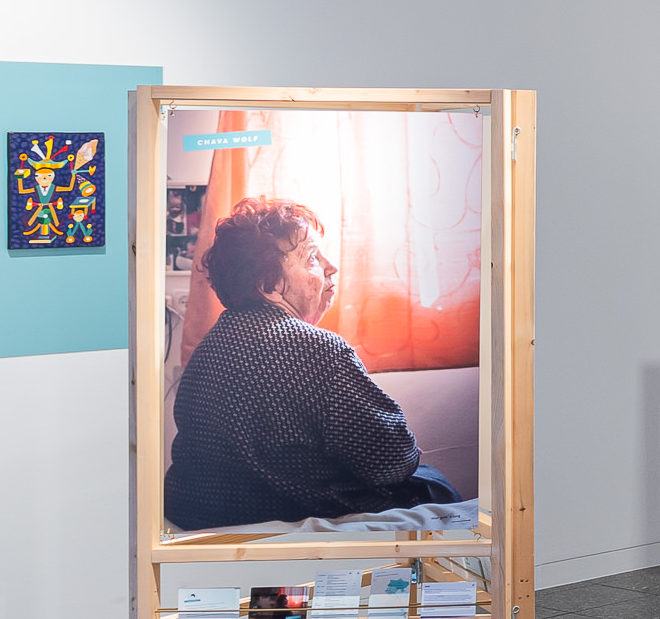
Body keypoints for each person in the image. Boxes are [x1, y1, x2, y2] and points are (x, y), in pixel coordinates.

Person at [163, 198, 458, 529]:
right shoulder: (319, 349)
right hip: (282, 513)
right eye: (313, 258)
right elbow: (394, 461)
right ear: (268, 285)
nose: (331, 267)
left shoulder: (209, 347)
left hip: (199, 515)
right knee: (433, 484)